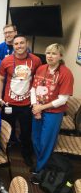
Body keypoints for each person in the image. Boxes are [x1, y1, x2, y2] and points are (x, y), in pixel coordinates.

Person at [30, 43, 74, 182]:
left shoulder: (66, 73)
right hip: (37, 109)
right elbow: (33, 89)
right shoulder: (41, 68)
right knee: (35, 139)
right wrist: (35, 106)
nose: (50, 56)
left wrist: (41, 108)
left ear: (60, 56)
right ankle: (40, 164)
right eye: (48, 53)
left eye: (54, 53)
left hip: (53, 113)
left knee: (46, 142)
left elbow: (63, 99)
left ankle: (41, 171)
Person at [0, 34, 42, 167]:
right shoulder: (6, 61)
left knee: (26, 131)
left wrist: (37, 101)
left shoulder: (36, 60)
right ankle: (3, 151)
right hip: (8, 102)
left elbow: (38, 80)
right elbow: (0, 79)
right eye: (16, 44)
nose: (19, 46)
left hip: (26, 104)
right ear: (13, 45)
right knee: (5, 129)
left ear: (26, 43)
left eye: (21, 43)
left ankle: (26, 154)